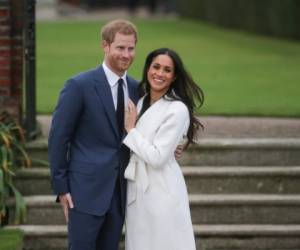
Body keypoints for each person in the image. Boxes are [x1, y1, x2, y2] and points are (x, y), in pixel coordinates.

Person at [48, 19, 139, 250]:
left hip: (120, 194)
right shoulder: (79, 86)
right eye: (120, 47)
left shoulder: (138, 89)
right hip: (84, 192)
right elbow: (59, 137)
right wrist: (61, 188)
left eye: (131, 48)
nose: (126, 54)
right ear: (105, 46)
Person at [123, 48, 204, 250]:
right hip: (137, 189)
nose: (160, 74)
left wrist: (131, 130)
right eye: (156, 67)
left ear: (174, 76)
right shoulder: (142, 102)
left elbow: (158, 157)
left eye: (167, 70)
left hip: (161, 190)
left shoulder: (177, 109)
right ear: (148, 68)